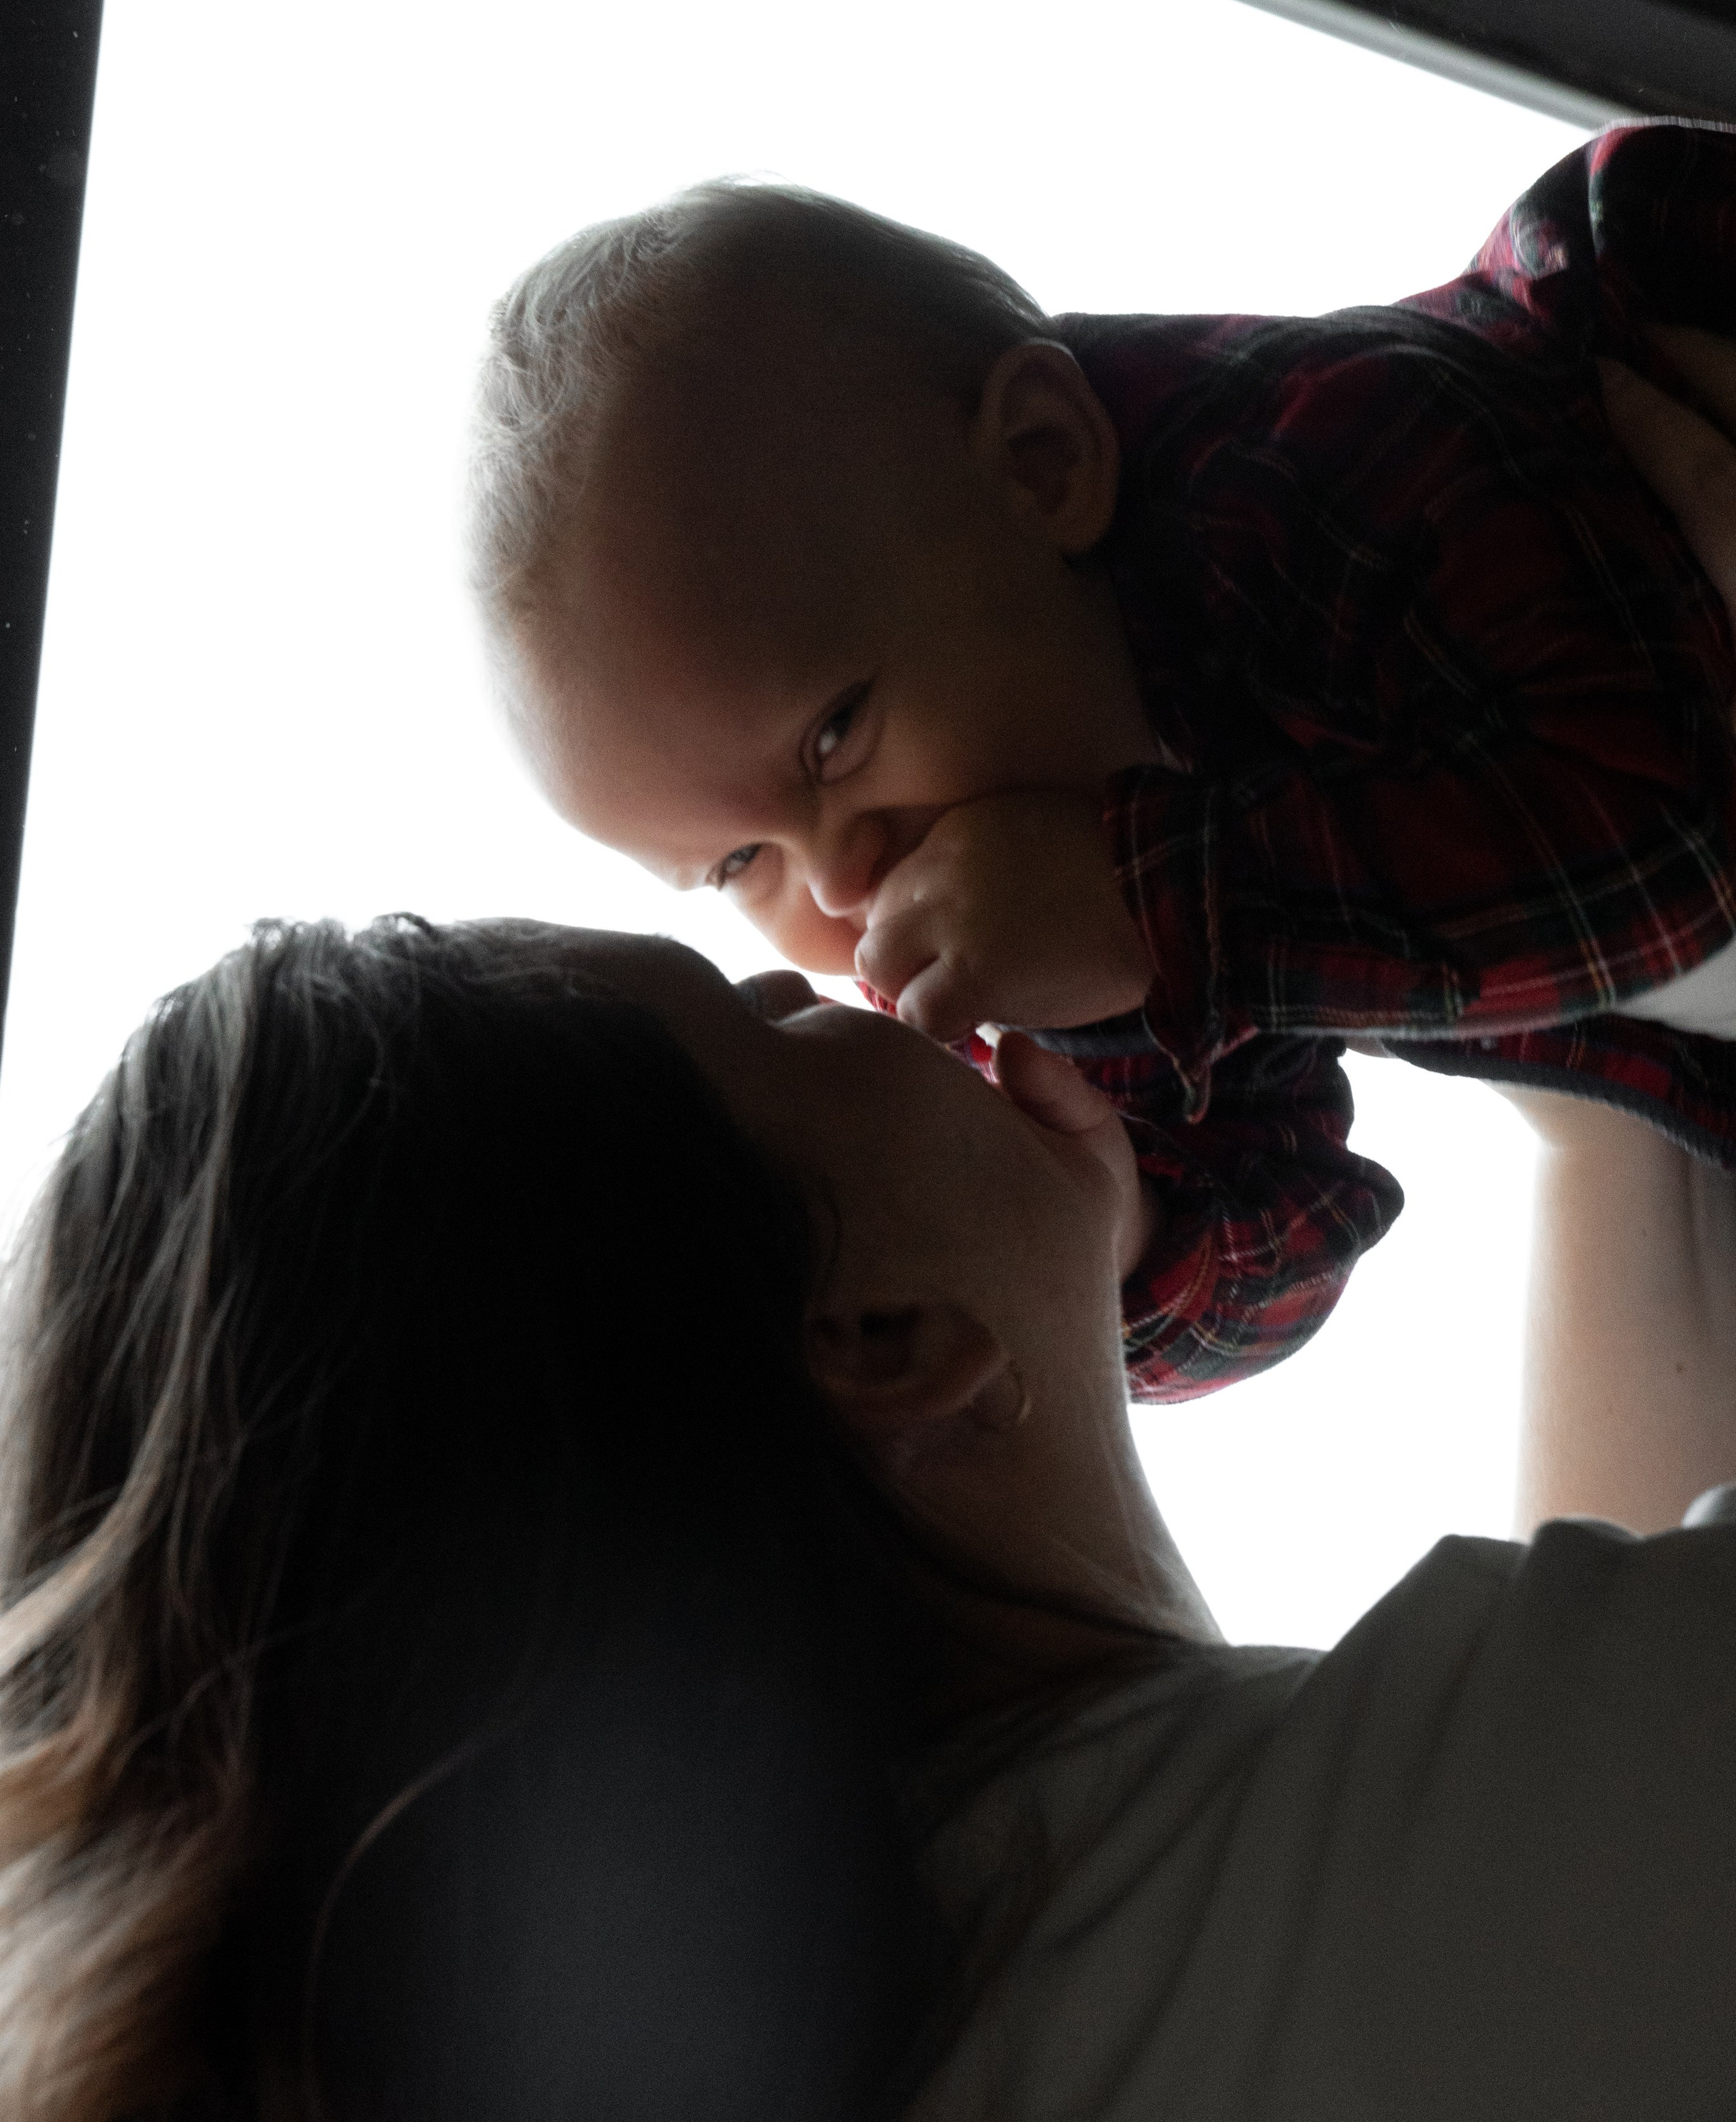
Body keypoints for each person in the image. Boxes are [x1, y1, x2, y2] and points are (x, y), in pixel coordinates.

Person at [3, 909, 1736, 2121]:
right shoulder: (1504, 1824)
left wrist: (1591, 1120)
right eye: (767, 1004)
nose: (852, 966)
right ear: (880, 1336)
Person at [468, 123, 1736, 1404]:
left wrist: (1153, 910)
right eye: (742, 862)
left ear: (1043, 465)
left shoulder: (1319, 466)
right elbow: (1287, 1222)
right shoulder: (1080, 846)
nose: (845, 883)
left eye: (834, 736)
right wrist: (1105, 1220)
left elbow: (1672, 831)